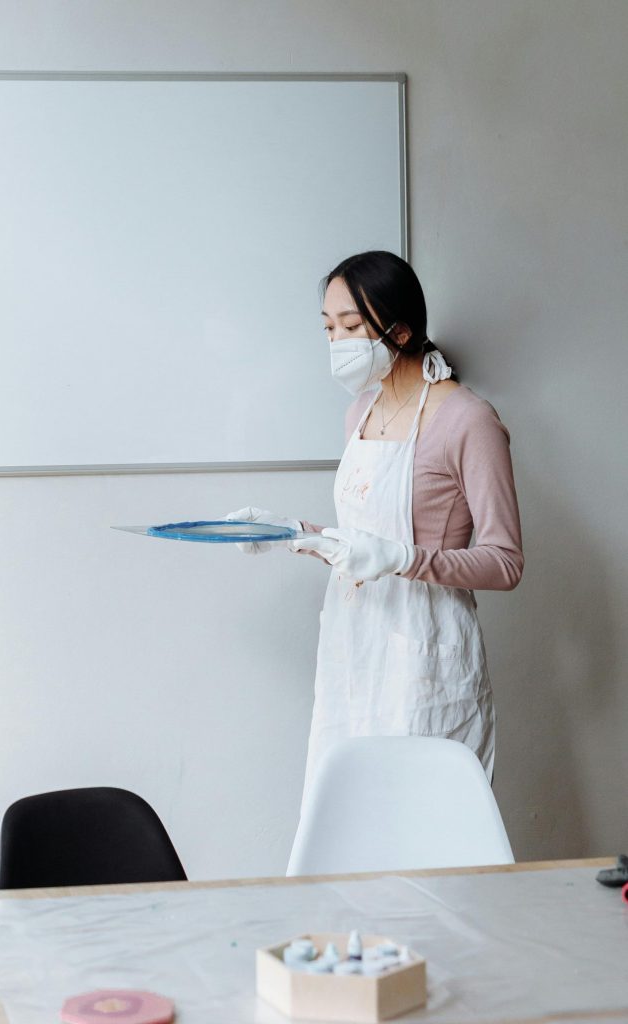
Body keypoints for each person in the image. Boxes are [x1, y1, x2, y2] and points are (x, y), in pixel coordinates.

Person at [226, 250, 523, 870]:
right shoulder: (358, 412)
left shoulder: (467, 420)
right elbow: (359, 544)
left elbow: (504, 561)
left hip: (425, 658)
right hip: (353, 647)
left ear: (400, 329)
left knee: (422, 846)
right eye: (328, 327)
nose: (337, 341)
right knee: (343, 833)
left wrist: (404, 558)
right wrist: (291, 532)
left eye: (351, 326)